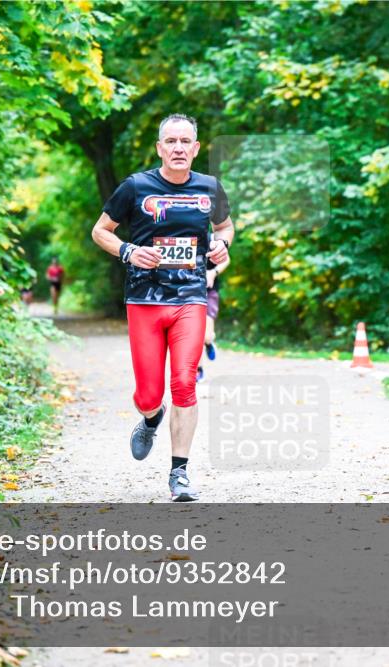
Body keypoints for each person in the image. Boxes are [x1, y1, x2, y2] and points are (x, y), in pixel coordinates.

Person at [91, 114, 234, 501]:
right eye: (170, 141)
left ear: (196, 148)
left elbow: (225, 228)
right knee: (149, 394)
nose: (178, 148)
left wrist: (222, 246)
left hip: (190, 297)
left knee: (185, 382)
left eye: (185, 142)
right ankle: (151, 418)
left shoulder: (210, 188)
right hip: (144, 300)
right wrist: (129, 251)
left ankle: (180, 474)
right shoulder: (136, 186)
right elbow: (100, 230)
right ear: (159, 148)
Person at [197, 250, 229, 382]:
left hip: (209, 293)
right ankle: (198, 370)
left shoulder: (210, 239)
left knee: (206, 336)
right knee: (195, 335)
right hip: (189, 294)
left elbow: (226, 259)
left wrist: (213, 273)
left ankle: (209, 343)